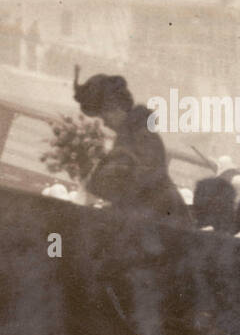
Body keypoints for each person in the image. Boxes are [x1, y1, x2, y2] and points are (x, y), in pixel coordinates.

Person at [74, 73, 189, 223]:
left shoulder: (141, 138)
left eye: (104, 117)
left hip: (164, 226)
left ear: (115, 108)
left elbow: (129, 188)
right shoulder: (133, 135)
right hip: (154, 221)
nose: (105, 124)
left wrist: (89, 169)